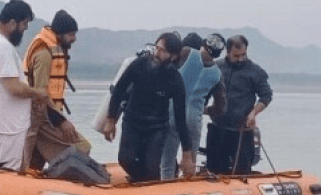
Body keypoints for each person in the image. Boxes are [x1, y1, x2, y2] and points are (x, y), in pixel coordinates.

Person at [101, 32, 195, 182]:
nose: (157, 53)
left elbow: (180, 119)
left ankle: (150, 184)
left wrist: (187, 153)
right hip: (132, 121)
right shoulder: (140, 64)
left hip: (157, 127)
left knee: (151, 168)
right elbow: (119, 89)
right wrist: (111, 120)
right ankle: (142, 182)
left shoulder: (175, 80)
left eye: (163, 51)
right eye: (156, 48)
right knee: (125, 160)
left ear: (173, 56)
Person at [0, 0, 50, 170]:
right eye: (24, 24)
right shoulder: (2, 47)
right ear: (12, 22)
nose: (25, 29)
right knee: (6, 176)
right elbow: (13, 87)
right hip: (6, 127)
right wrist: (39, 94)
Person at [21, 9, 92, 170]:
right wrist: (61, 121)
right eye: (71, 34)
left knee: (34, 160)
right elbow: (40, 94)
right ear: (60, 33)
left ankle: (36, 183)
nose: (74, 39)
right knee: (82, 147)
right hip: (43, 115)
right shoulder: (44, 54)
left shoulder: (50, 47)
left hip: (46, 114)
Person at [159, 32, 227, 179]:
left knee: (167, 162)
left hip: (172, 113)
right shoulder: (217, 74)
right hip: (194, 120)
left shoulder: (187, 52)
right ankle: (189, 193)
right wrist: (204, 110)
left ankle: (166, 189)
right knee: (190, 162)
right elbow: (220, 108)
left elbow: (164, 69)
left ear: (203, 44)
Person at [206, 35, 272, 175]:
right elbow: (204, 92)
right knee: (214, 171)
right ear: (227, 52)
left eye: (244, 54)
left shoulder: (255, 71)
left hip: (242, 131)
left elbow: (266, 96)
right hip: (218, 129)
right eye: (237, 56)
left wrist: (253, 113)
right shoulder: (215, 68)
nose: (241, 59)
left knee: (242, 171)